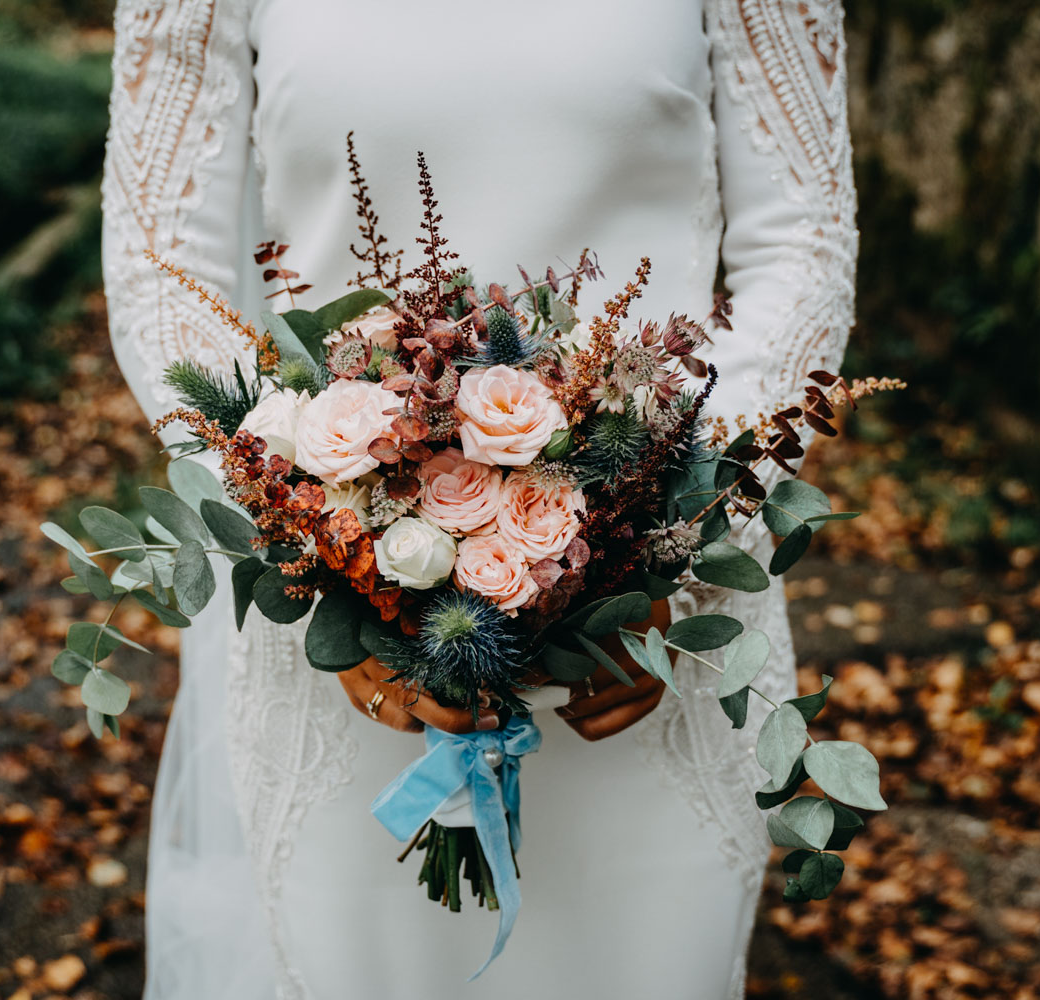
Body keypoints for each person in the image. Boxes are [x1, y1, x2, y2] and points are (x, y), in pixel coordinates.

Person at [101, 1, 856, 996]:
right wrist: (327, 547)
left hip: (659, 643)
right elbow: (166, 269)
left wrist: (667, 539)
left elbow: (800, 242)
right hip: (354, 647)